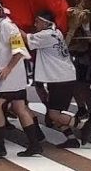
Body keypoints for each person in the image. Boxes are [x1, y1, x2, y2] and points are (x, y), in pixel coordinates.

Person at [0, 0, 42, 158]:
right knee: (19, 108)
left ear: (0, 11)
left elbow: (19, 50)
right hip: (14, 76)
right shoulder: (1, 26)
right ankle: (35, 144)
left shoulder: (9, 27)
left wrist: (7, 69)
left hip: (8, 75)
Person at [26, 9, 83, 148]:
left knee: (53, 114)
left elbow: (26, 39)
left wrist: (13, 27)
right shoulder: (56, 32)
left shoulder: (46, 35)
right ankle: (71, 139)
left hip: (61, 78)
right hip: (59, 77)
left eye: (37, 22)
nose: (35, 24)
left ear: (46, 23)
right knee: (54, 112)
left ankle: (82, 125)